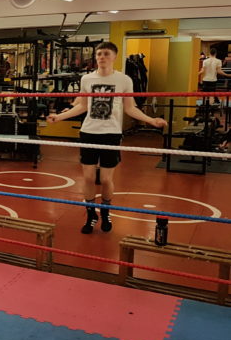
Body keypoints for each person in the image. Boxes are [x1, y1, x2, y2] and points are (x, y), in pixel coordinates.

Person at [47, 41, 167, 234]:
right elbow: (82, 106)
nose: (102, 57)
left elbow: (130, 108)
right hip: (89, 132)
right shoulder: (87, 79)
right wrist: (59, 117)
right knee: (87, 177)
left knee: (105, 179)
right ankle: (90, 214)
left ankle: (105, 212)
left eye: (106, 54)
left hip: (111, 133)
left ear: (114, 57)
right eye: (99, 54)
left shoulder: (124, 80)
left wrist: (151, 120)